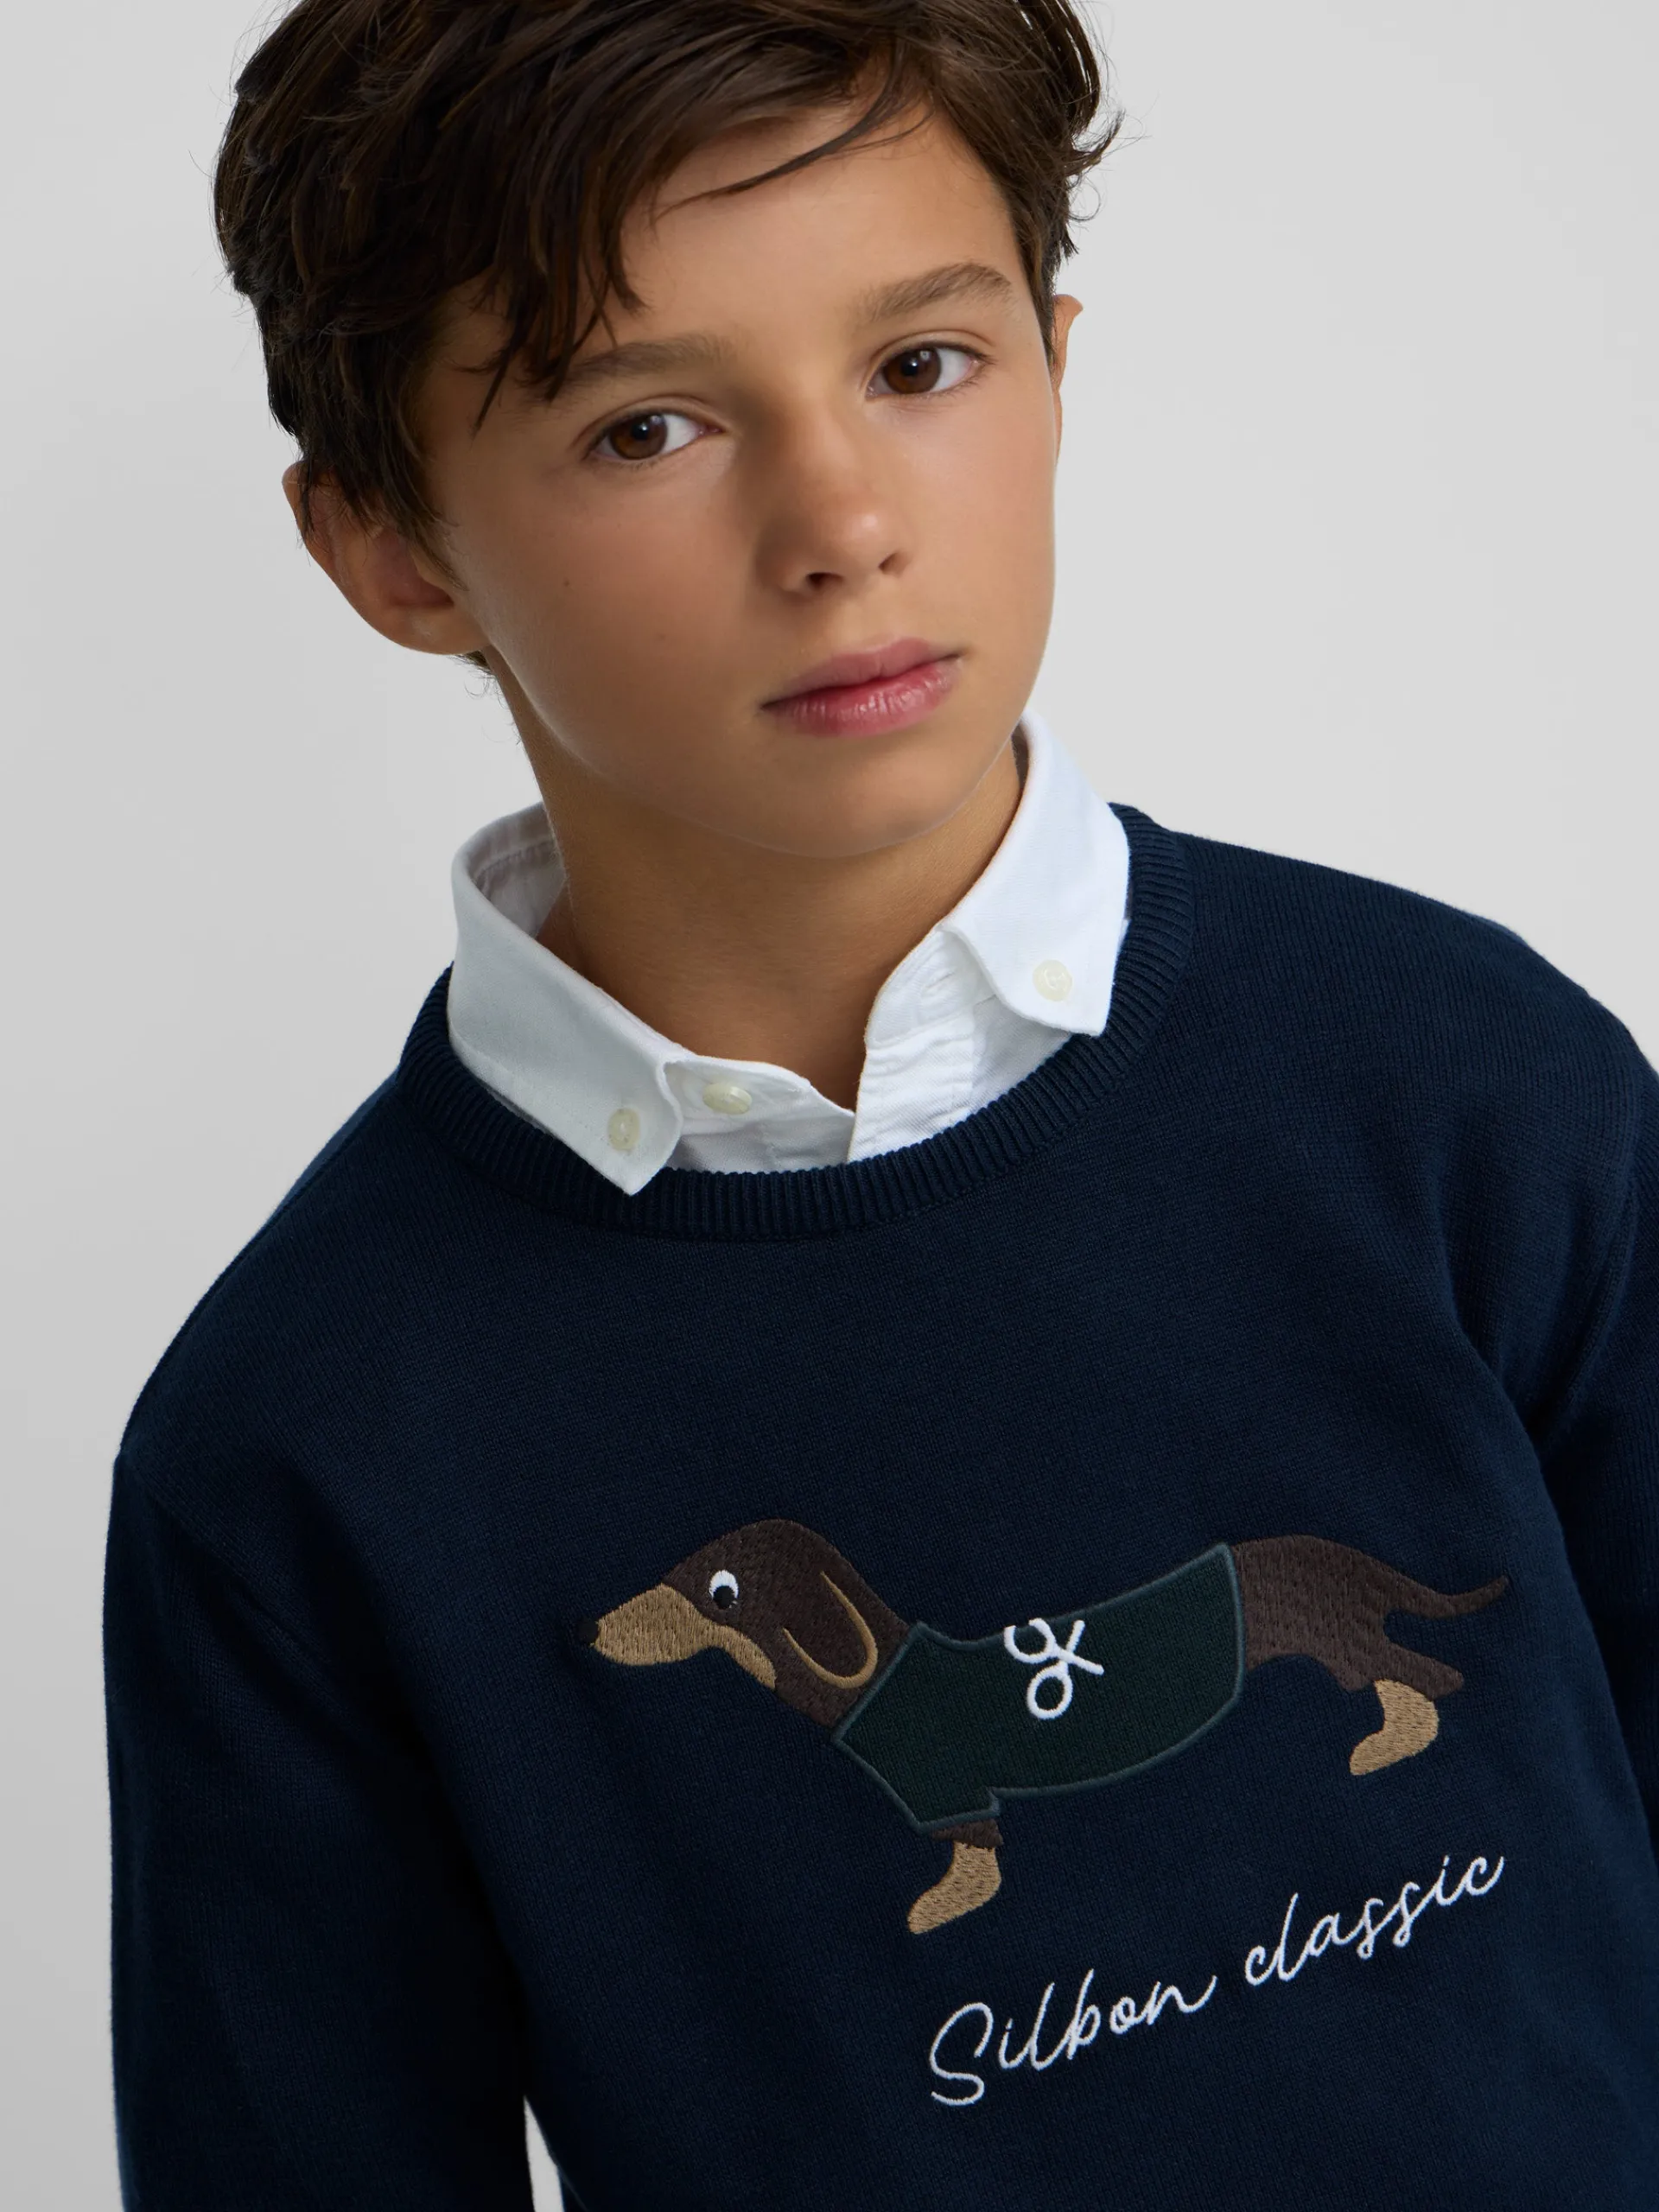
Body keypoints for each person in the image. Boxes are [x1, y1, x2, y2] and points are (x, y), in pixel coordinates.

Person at [103, 1, 1659, 2204]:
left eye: (923, 364)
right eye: (647, 425)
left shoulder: (1465, 1084)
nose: (840, 522)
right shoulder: (301, 1444)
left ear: (1055, 366)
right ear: (393, 550)